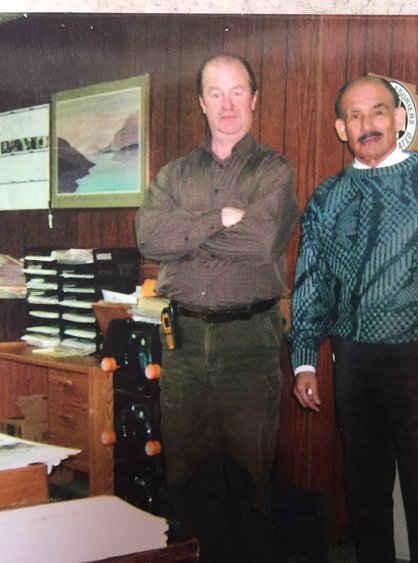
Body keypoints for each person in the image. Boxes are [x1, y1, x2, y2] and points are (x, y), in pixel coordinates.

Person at [287, 75, 418, 562]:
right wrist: (303, 360)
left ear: (400, 118)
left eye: (378, 112)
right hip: (354, 362)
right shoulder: (327, 197)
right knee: (364, 497)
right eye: (356, 116)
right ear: (341, 128)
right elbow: (311, 282)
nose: (368, 125)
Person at [135, 53, 300, 563]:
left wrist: (189, 231)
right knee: (186, 476)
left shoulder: (273, 170)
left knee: (249, 479)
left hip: (247, 339)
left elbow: (261, 241)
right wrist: (221, 216)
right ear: (200, 103)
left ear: (254, 100)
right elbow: (148, 236)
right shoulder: (173, 174)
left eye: (237, 92)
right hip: (181, 338)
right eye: (215, 92)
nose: (227, 104)